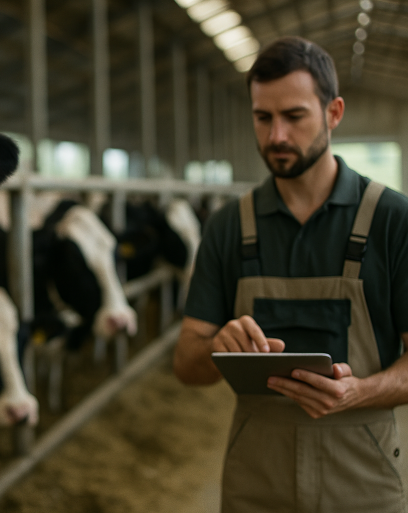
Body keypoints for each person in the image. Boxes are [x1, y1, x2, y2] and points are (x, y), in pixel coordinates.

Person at [173, 36, 408, 512]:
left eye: (294, 116)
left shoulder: (392, 220)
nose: (276, 135)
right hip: (257, 481)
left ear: (333, 112)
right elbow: (186, 366)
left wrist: (358, 392)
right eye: (263, 117)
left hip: (363, 480)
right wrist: (220, 342)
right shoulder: (228, 228)